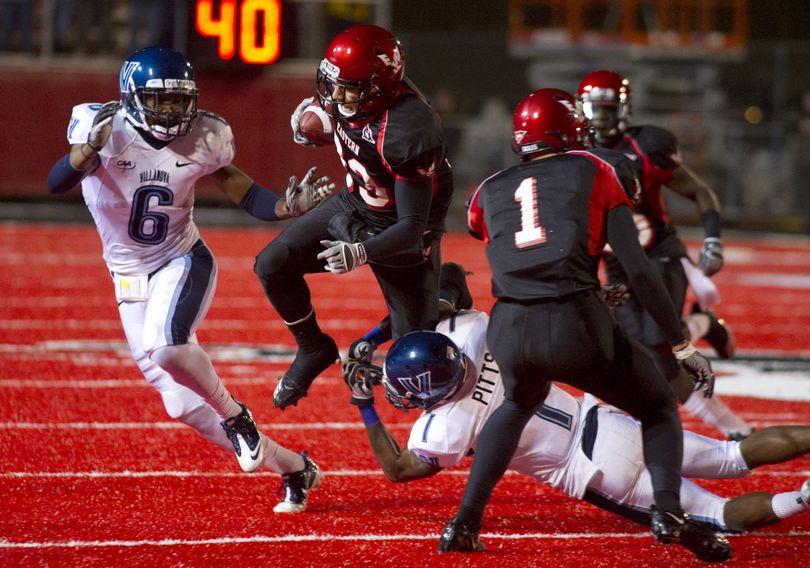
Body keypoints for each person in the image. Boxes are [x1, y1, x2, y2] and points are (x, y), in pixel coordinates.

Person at [46, 46, 335, 513]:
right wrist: (88, 150)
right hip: (127, 276)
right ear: (132, 97)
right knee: (181, 406)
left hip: (182, 259)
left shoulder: (208, 134)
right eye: (159, 101)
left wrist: (286, 208)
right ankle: (294, 469)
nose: (171, 111)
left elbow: (240, 188)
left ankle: (236, 416)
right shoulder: (100, 128)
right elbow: (56, 182)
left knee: (168, 344)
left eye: (179, 101)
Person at [449, 88, 728, 561]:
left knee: (517, 403)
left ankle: (464, 522)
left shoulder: (488, 188)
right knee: (659, 405)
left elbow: (490, 231)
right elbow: (637, 268)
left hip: (510, 326)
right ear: (569, 129)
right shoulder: (595, 168)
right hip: (574, 319)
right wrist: (681, 345)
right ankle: (667, 512)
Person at [341, 311, 810, 561]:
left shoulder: (447, 424)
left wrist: (364, 406)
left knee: (717, 514)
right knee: (733, 456)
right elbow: (446, 292)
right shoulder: (475, 334)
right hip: (607, 423)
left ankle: (804, 499)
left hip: (598, 471)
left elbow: (399, 469)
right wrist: (383, 334)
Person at [254, 24, 454, 410]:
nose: (335, 96)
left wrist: (360, 252)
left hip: (402, 228)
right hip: (356, 202)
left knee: (412, 369)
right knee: (271, 264)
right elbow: (345, 121)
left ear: (380, 88)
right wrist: (313, 131)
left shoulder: (408, 129)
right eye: (332, 83)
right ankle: (314, 349)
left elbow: (412, 225)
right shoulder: (354, 92)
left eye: (349, 89)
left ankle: (448, 292)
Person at [577, 70, 752, 441]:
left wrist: (713, 241)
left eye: (609, 110)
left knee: (660, 349)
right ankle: (705, 325)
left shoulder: (646, 146)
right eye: (596, 110)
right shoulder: (575, 153)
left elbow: (701, 191)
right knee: (634, 342)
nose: (601, 119)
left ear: (623, 110)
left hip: (659, 253)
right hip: (617, 261)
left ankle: (731, 427)